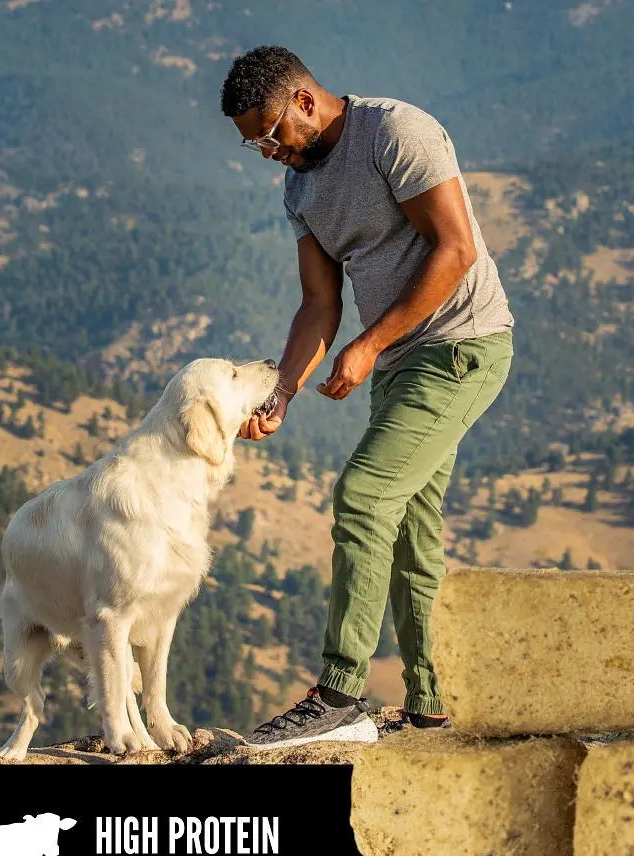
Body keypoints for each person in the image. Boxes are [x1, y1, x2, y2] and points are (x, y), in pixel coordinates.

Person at [220, 45, 514, 749]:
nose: (269, 153)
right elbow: (319, 304)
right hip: (403, 362)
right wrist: (281, 392)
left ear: (304, 101)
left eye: (270, 134)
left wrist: (371, 343)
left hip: (461, 348)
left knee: (364, 496)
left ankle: (340, 693)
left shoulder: (394, 133)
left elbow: (456, 250)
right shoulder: (300, 191)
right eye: (254, 145)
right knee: (410, 526)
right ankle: (432, 705)